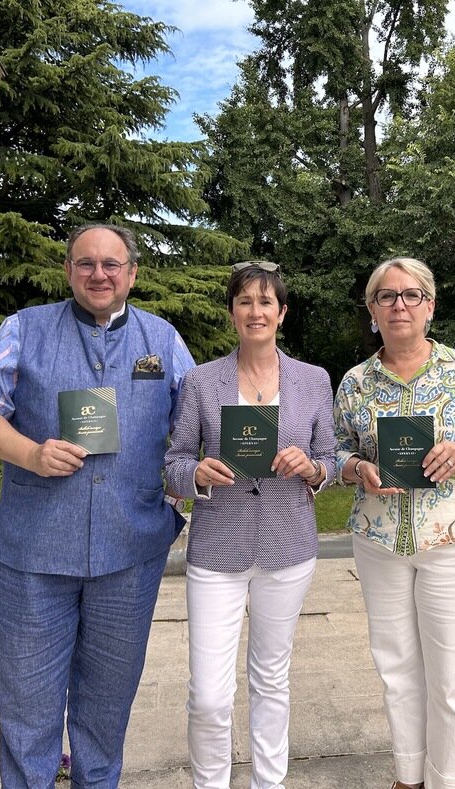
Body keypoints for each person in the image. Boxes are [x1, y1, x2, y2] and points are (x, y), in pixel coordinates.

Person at [0, 223, 195, 788]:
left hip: (130, 549)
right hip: (33, 550)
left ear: (132, 274)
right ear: (69, 271)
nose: (99, 274)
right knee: (26, 699)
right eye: (86, 263)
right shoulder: (24, 329)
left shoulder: (162, 341)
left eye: (112, 264)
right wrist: (32, 453)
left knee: (108, 702)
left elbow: (198, 419)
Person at [333, 257, 455, 789]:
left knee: (452, 679)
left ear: (430, 305)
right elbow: (337, 448)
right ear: (372, 311)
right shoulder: (356, 382)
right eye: (386, 297)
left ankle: (454, 781)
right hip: (381, 539)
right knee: (396, 669)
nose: (399, 305)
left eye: (411, 295)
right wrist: (357, 467)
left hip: (454, 538)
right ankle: (408, 777)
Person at [164, 260, 336, 789]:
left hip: (288, 545)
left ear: (282, 313)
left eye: (266, 302)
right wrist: (195, 472)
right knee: (210, 695)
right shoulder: (200, 381)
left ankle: (269, 782)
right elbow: (173, 462)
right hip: (218, 546)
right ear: (232, 311)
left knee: (271, 678)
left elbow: (328, 455)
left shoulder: (312, 380)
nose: (255, 311)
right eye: (245, 301)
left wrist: (312, 469)